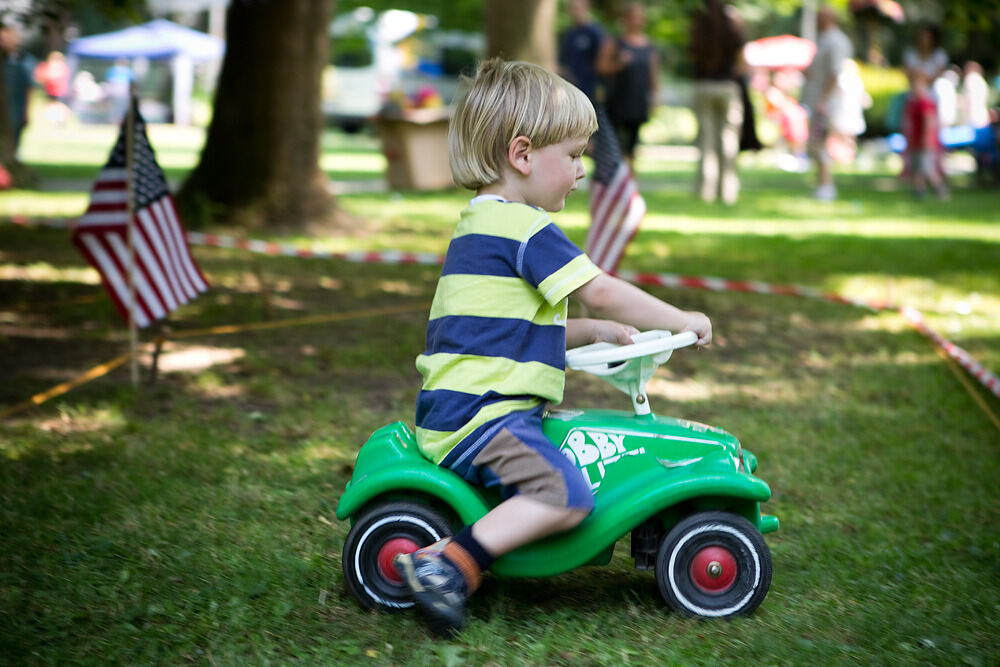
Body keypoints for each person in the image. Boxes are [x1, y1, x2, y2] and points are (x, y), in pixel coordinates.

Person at [394, 58, 712, 637]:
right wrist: (680, 317)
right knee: (565, 494)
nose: (582, 171)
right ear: (522, 154)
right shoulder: (524, 229)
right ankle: (449, 563)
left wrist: (593, 334)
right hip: (483, 415)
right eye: (572, 156)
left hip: (468, 402)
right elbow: (603, 290)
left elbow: (505, 333)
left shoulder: (481, 224)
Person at [688, 0, 747, 204]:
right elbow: (743, 60)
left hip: (703, 85)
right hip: (726, 86)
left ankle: (705, 191)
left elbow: (692, 53)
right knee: (728, 140)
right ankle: (728, 192)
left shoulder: (699, 25)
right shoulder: (732, 26)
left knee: (706, 140)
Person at [799, 5, 853, 201]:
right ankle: (821, 184)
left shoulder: (835, 41)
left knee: (819, 144)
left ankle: (826, 186)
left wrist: (823, 100)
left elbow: (834, 73)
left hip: (824, 104)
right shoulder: (823, 39)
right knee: (815, 145)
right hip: (817, 101)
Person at [596, 2, 659, 168]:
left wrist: (655, 98)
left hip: (638, 102)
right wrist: (619, 64)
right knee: (615, 142)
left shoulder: (649, 45)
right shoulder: (615, 42)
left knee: (632, 144)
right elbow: (601, 67)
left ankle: (630, 179)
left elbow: (653, 75)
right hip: (618, 101)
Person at [902, 71, 949, 200]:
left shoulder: (925, 103)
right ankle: (919, 193)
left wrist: (926, 139)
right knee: (917, 170)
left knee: (928, 169)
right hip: (915, 141)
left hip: (925, 143)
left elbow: (929, 122)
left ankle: (941, 191)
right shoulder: (913, 103)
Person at [557, 0, 605, 103]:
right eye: (572, 8)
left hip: (589, 88)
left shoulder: (595, 32)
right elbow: (562, 60)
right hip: (570, 87)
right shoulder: (568, 34)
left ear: (586, 7)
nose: (574, 12)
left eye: (577, 8)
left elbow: (602, 62)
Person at [1, 22, 33, 158]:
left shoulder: (24, 61)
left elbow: (28, 87)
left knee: (13, 135)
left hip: (15, 107)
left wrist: (26, 112)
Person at [33, 51, 71, 125]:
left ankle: (60, 119)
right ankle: (55, 120)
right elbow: (40, 77)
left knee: (59, 106)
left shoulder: (62, 67)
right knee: (52, 105)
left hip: (60, 91)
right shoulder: (47, 66)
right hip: (51, 90)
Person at [960, 61, 990, 129]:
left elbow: (970, 100)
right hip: (983, 118)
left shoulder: (970, 79)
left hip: (973, 119)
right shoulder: (982, 81)